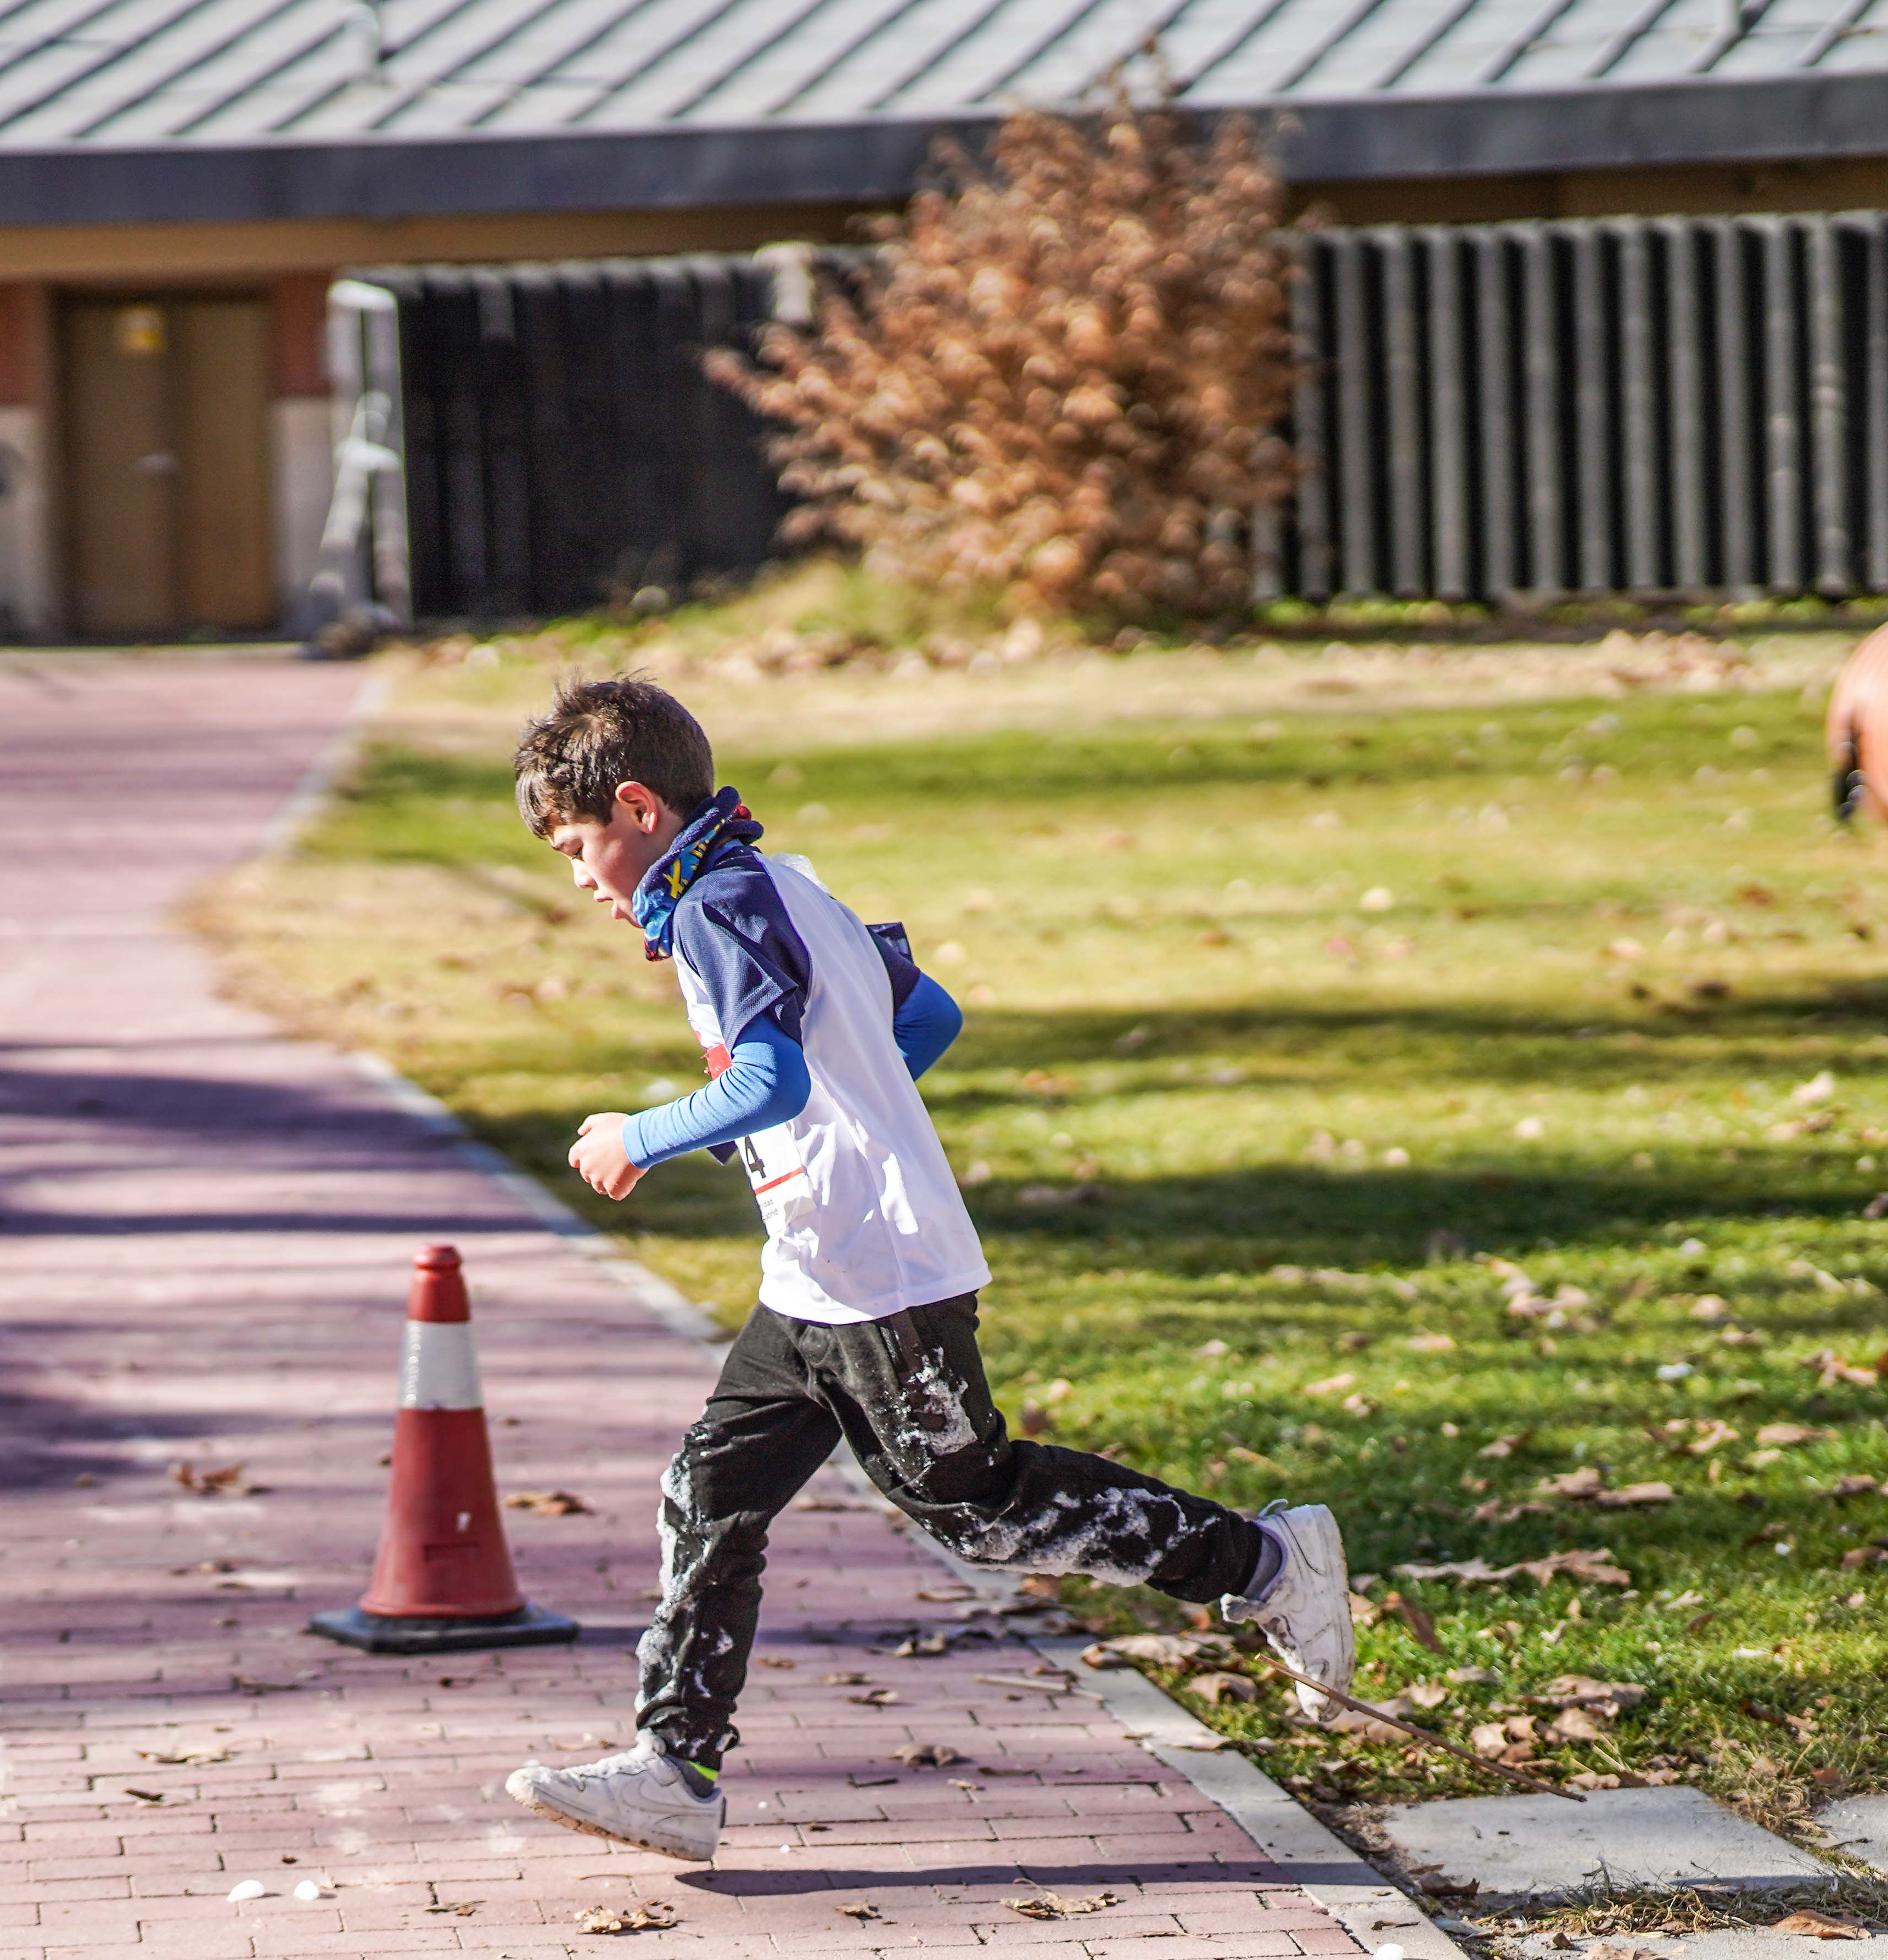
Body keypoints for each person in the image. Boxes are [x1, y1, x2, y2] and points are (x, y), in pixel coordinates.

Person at [498, 678, 1355, 1864]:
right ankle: (676, 1768)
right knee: (709, 1491)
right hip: (814, 1267)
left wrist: (635, 1135)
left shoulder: (714, 908)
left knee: (977, 1506)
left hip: (880, 1271)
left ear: (636, 807)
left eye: (579, 846)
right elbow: (929, 1017)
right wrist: (863, 1115)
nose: (584, 878)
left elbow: (772, 1084)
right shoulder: (787, 878)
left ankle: (1265, 1562)